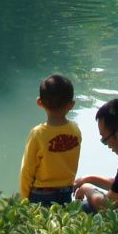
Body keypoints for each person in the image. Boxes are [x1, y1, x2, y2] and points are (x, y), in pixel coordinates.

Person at [19, 74, 82, 206]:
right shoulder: (75, 131)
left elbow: (27, 170)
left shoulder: (38, 134)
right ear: (71, 105)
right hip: (66, 191)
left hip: (41, 194)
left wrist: (23, 200)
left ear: (39, 103)